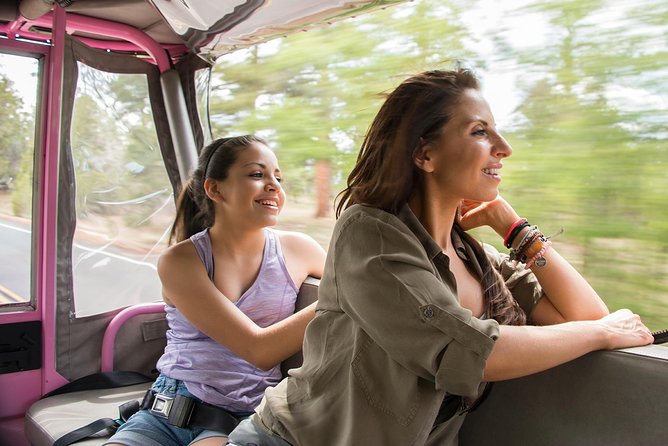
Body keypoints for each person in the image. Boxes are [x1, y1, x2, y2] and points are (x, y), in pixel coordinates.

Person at [226, 69, 654, 446]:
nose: (503, 147)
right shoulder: (369, 235)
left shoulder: (472, 255)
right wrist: (599, 333)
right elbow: (467, 351)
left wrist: (514, 227)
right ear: (424, 154)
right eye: (480, 132)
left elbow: (589, 315)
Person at [105, 135, 326, 446]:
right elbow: (257, 350)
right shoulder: (180, 261)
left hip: (244, 417)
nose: (275, 186)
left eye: (278, 177)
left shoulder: (300, 249)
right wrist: (337, 298)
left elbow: (359, 284)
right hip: (168, 411)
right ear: (215, 189)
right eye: (256, 174)